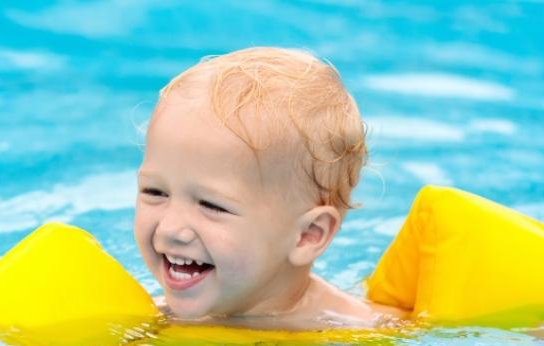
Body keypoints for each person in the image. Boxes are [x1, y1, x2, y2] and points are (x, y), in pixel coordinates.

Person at [134, 47, 406, 330]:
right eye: (155, 192)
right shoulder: (149, 321)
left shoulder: (361, 331)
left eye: (211, 205)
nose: (169, 229)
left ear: (307, 235)